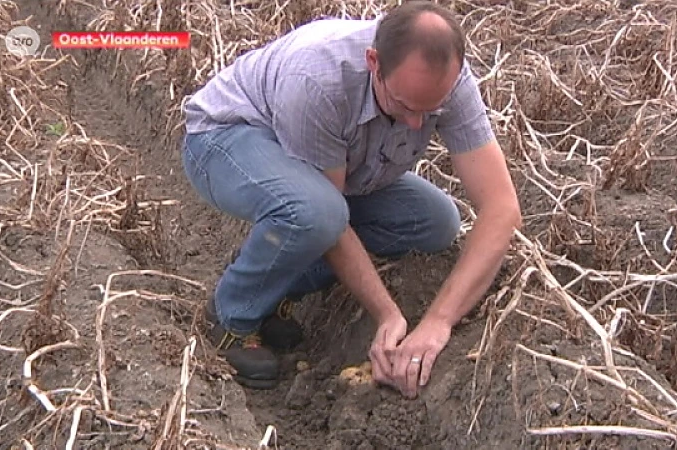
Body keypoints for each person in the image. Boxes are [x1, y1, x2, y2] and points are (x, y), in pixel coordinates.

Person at [180, 1, 522, 398]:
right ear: (374, 62)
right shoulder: (318, 80)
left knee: (435, 222)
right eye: (405, 106)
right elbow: (333, 222)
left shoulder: (450, 84)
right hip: (225, 139)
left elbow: (502, 208)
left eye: (430, 111)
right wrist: (387, 314)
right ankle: (232, 317)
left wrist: (437, 323)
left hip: (331, 173)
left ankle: (273, 287)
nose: (416, 124)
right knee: (316, 213)